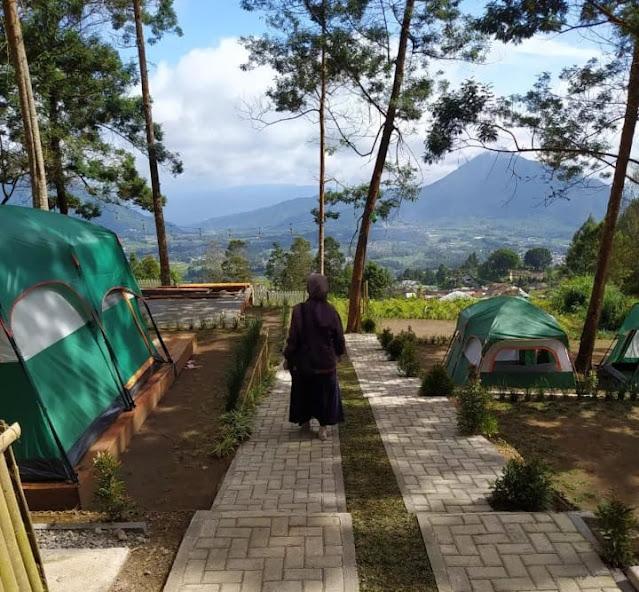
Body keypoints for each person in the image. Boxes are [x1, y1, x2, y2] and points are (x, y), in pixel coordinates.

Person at [283, 273, 345, 440]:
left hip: (304, 363)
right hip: (326, 363)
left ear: (309, 289)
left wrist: (287, 356)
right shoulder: (331, 311)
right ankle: (323, 428)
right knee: (324, 396)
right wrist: (339, 353)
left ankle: (305, 423)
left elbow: (293, 338)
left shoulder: (299, 310)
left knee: (304, 393)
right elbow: (339, 336)